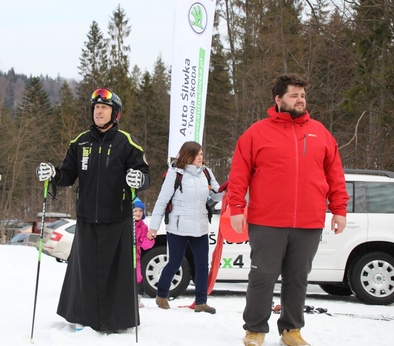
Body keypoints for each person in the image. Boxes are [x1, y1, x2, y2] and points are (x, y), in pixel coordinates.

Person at [227, 74, 349, 346]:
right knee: (263, 277)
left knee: (298, 279)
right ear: (278, 99)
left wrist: (339, 209)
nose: (300, 99)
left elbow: (335, 176)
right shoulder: (256, 133)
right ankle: (255, 329)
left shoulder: (321, 133)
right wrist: (237, 206)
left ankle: (292, 330)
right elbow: (239, 175)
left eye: (303, 95)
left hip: (309, 222)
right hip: (267, 221)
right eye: (294, 95)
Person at [35, 88, 150, 333]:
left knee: (116, 274)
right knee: (85, 271)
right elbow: (68, 174)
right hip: (87, 218)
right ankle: (82, 317)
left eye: (104, 108)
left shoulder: (127, 143)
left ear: (114, 113)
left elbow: (145, 175)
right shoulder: (80, 142)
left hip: (117, 218)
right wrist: (53, 174)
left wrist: (138, 178)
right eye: (96, 107)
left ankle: (117, 322)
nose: (99, 111)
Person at [148, 141, 223, 314]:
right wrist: (153, 227)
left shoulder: (206, 172)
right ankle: (162, 295)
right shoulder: (175, 174)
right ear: (187, 156)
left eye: (202, 154)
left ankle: (201, 302)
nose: (200, 157)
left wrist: (229, 189)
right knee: (175, 263)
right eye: (197, 154)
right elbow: (161, 202)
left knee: (203, 265)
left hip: (200, 226)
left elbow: (217, 194)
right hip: (178, 227)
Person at [133, 197, 154, 308]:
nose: (138, 213)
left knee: (138, 277)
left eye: (140, 211)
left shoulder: (143, 227)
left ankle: (137, 298)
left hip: (136, 258)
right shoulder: (126, 225)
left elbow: (145, 246)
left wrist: (149, 238)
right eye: (135, 210)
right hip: (124, 257)